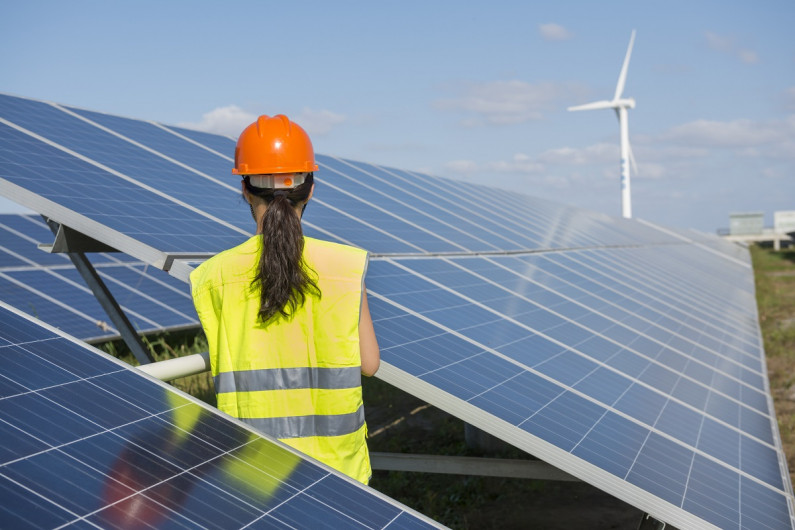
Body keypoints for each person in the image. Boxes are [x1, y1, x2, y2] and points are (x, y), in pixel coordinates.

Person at [190, 114, 380, 484]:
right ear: (309, 189)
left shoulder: (213, 276)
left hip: (252, 475)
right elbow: (369, 364)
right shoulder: (345, 266)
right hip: (339, 473)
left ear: (245, 189)